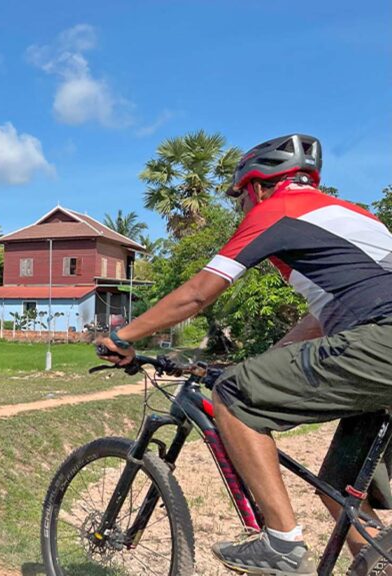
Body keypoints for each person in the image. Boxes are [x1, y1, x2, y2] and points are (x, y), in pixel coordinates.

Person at [96, 134, 392, 575]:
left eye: (240, 198)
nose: (242, 207)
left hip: (380, 344)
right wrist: (270, 358)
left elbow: (198, 294)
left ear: (256, 186)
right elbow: (324, 316)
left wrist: (124, 336)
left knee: (233, 394)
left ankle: (281, 543)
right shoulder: (354, 217)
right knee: (339, 487)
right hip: (375, 350)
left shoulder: (278, 211)